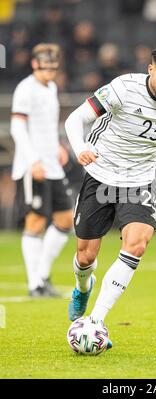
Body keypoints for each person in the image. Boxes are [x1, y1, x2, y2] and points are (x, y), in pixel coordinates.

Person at [65, 44, 156, 348]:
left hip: (140, 181)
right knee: (86, 256)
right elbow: (75, 119)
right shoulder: (122, 88)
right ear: (151, 69)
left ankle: (96, 320)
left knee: (137, 244)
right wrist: (80, 148)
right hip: (101, 174)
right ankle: (83, 287)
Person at [10, 43, 73, 297]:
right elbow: (17, 128)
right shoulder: (26, 89)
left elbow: (47, 124)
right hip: (32, 166)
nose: (50, 71)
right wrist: (32, 160)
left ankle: (43, 276)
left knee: (65, 219)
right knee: (35, 222)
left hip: (52, 165)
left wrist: (58, 144)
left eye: (53, 67)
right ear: (35, 64)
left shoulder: (52, 88)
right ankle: (34, 283)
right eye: (45, 66)